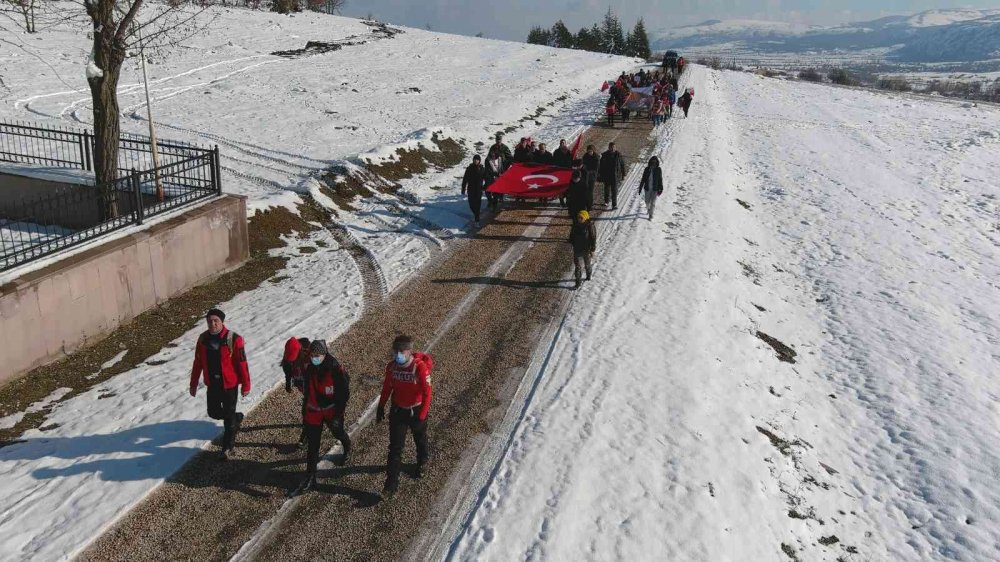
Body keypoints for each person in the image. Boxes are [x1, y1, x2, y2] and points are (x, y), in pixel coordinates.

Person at [377, 335, 433, 500]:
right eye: (395, 351)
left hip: (416, 410)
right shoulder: (392, 367)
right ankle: (390, 485)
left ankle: (422, 461)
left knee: (420, 438)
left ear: (409, 351)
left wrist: (421, 416)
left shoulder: (419, 368)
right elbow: (387, 388)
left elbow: (427, 393)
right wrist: (381, 406)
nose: (398, 354)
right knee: (395, 448)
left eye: (402, 351)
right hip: (399, 411)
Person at [190, 308, 250, 460]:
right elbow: (197, 362)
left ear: (222, 322)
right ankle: (235, 417)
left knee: (228, 420)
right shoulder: (203, 339)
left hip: (229, 385)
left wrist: (246, 384)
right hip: (213, 384)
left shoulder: (234, 339)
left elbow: (242, 363)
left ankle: (227, 448)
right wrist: (193, 383)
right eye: (210, 321)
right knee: (213, 412)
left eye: (216, 320)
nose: (213, 323)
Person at [298, 339, 351, 492]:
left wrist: (338, 414)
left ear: (324, 354)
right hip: (314, 411)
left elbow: (343, 394)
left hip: (331, 411)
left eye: (317, 355)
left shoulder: (334, 369)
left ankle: (347, 445)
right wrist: (305, 410)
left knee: (338, 432)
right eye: (312, 354)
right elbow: (307, 392)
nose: (314, 357)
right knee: (313, 446)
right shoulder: (310, 369)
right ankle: (310, 477)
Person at [282, 336, 311, 448]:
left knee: (307, 413)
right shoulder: (288, 360)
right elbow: (287, 372)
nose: (291, 362)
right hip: (304, 389)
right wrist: (288, 383)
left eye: (293, 359)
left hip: (313, 391)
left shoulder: (310, 358)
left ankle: (305, 437)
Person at [570, 210, 596, 289]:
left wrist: (593, 248)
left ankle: (588, 275)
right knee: (577, 267)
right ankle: (578, 282)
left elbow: (593, 237)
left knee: (587, 264)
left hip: (586, 249)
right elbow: (571, 236)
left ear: (585, 218)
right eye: (578, 218)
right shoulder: (575, 225)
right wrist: (573, 243)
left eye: (581, 218)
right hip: (577, 248)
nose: (579, 219)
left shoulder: (590, 226)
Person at [599, 142, 626, 210]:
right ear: (609, 148)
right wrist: (599, 175)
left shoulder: (618, 155)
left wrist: (623, 174)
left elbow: (622, 165)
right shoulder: (604, 155)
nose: (612, 148)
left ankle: (614, 205)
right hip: (607, 175)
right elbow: (600, 166)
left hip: (615, 176)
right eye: (611, 147)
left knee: (614, 191)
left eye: (614, 147)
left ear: (615, 148)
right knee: (607, 190)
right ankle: (606, 201)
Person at [462, 155, 486, 225]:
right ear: (473, 160)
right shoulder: (469, 168)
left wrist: (485, 186)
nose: (476, 161)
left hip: (479, 189)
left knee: (478, 205)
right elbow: (465, 179)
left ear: (479, 161)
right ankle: (476, 214)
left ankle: (477, 220)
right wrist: (463, 189)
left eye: (477, 160)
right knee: (471, 204)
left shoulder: (482, 169)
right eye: (475, 159)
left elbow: (486, 178)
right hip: (471, 189)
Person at [639, 156, 664, 220]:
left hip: (655, 189)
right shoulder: (647, 169)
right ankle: (649, 209)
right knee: (647, 201)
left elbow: (660, 179)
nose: (653, 163)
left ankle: (651, 215)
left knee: (653, 202)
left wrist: (661, 188)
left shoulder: (658, 169)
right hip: (647, 188)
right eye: (652, 162)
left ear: (657, 163)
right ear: (650, 162)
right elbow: (643, 179)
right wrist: (640, 187)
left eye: (655, 162)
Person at [485, 146, 507, 212]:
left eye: (494, 153)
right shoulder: (487, 160)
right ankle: (490, 201)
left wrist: (502, 174)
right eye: (491, 152)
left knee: (496, 193)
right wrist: (496, 174)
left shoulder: (499, 159)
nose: (493, 154)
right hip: (490, 178)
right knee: (487, 190)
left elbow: (502, 168)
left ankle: (494, 206)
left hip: (498, 178)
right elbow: (487, 170)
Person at [581, 145, 600, 212]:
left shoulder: (596, 157)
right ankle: (585, 204)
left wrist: (588, 171)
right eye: (588, 151)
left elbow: (596, 169)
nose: (589, 152)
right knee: (585, 191)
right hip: (585, 177)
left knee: (590, 192)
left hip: (592, 177)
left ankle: (590, 205)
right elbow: (583, 164)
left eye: (591, 151)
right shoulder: (585, 156)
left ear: (593, 151)